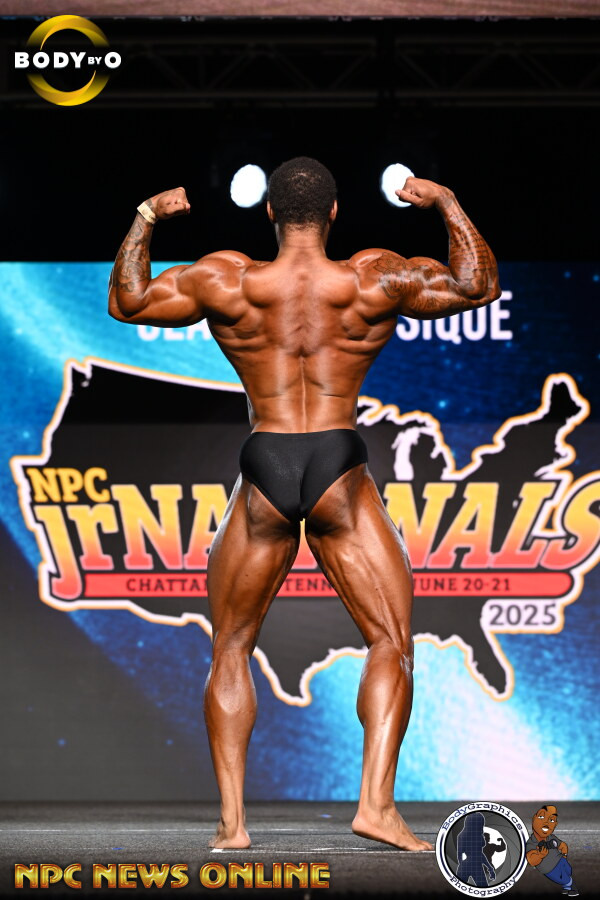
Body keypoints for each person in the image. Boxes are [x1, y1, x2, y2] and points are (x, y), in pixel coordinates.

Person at [108, 157, 500, 851]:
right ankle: (375, 807)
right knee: (390, 642)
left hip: (265, 459)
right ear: (335, 213)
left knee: (231, 646)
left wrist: (145, 216)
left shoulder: (228, 278)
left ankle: (233, 824)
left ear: (269, 213)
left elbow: (127, 301)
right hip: (337, 464)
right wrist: (446, 202)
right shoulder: (371, 277)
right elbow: (477, 285)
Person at [526, 805, 579, 896]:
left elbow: (562, 845)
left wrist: (564, 855)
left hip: (560, 860)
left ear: (555, 824)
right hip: (548, 868)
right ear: (534, 819)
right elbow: (531, 860)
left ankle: (566, 887)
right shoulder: (532, 843)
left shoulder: (551, 837)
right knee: (562, 879)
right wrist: (540, 855)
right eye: (541, 817)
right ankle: (571, 885)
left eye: (551, 820)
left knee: (568, 871)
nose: (546, 822)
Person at [456, 812, 496, 887]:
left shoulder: (463, 835)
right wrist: (489, 868)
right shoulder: (475, 836)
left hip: (471, 865)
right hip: (474, 866)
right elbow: (478, 854)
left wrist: (489, 867)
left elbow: (460, 854)